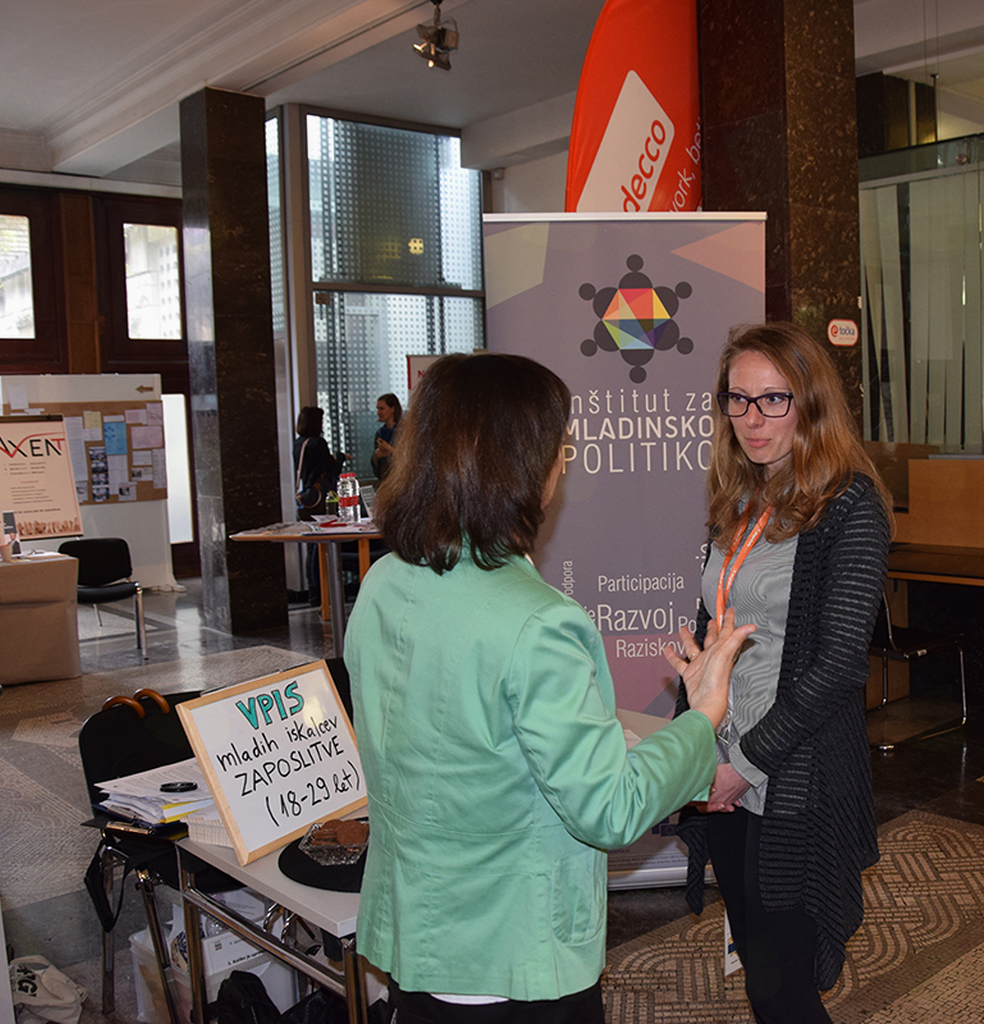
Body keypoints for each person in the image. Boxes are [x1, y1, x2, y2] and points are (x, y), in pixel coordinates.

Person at [344, 352, 756, 1023]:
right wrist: (704, 714)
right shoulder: (539, 622)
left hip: (420, 937)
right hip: (514, 954)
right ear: (523, 465)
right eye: (558, 447)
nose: (562, 465)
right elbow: (610, 809)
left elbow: (462, 746)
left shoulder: (385, 582)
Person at [673, 322, 893, 1023]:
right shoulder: (737, 499)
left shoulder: (849, 505)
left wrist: (744, 765)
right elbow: (714, 629)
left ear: (811, 404)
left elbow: (838, 666)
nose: (752, 419)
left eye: (773, 400)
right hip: (723, 768)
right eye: (737, 400)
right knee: (760, 969)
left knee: (783, 986)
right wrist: (697, 748)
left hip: (793, 778)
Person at [293, 406, 347, 602]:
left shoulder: (299, 443)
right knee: (320, 545)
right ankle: (322, 589)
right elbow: (331, 469)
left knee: (311, 545)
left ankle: (313, 589)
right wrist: (340, 458)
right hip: (319, 498)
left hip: (306, 498)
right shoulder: (317, 443)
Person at [370, 392, 402, 480]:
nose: (378, 412)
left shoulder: (403, 430)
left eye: (382, 409)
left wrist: (389, 449)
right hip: (384, 479)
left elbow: (408, 459)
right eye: (377, 409)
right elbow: (376, 466)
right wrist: (376, 455)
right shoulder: (380, 433)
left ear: (392, 409)